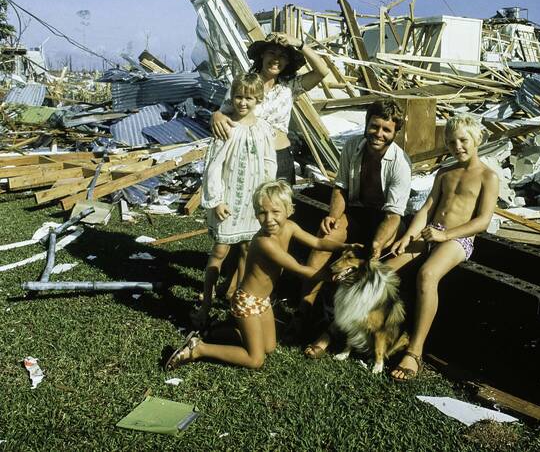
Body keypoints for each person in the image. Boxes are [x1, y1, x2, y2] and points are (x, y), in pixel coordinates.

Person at [166, 180, 360, 370]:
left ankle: (215, 330)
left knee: (269, 347)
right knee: (255, 359)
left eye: (275, 212)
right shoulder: (264, 243)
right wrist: (333, 276)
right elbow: (299, 269)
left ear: (289, 210)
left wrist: (344, 246)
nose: (269, 219)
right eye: (262, 213)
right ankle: (198, 349)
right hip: (246, 302)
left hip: (263, 300)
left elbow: (318, 243)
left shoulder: (290, 227)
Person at [385, 115, 499, 382]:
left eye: (463, 140)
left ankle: (414, 351)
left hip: (458, 240)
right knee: (385, 270)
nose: (457, 146)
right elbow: (427, 209)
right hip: (431, 231)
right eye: (451, 142)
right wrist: (408, 236)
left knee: (427, 275)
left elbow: (482, 221)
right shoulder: (445, 172)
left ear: (477, 140)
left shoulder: (488, 176)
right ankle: (381, 332)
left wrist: (445, 234)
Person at [301, 100, 412, 357]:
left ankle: (341, 328)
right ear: (366, 123)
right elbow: (340, 187)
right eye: (375, 127)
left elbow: (394, 214)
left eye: (386, 130)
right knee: (326, 236)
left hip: (386, 217)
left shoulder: (400, 163)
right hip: (358, 211)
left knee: (376, 263)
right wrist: (332, 216)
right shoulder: (352, 146)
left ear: (395, 133)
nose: (379, 134)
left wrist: (377, 243)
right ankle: (304, 309)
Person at [191, 73, 276, 329]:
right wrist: (216, 200)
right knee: (219, 250)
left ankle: (236, 299)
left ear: (258, 99)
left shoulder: (263, 128)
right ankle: (206, 303)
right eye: (238, 97)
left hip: (253, 200)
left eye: (249, 98)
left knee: (248, 251)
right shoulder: (226, 126)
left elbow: (270, 161)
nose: (243, 103)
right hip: (229, 200)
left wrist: (267, 196)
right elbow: (213, 167)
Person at [210, 31, 331, 185]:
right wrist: (217, 115)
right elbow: (225, 113)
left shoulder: (290, 87)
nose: (276, 59)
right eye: (271, 53)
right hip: (248, 155)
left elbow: (323, 71)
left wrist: (299, 44)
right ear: (262, 56)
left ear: (287, 62)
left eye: (282, 56)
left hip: (280, 156)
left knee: (279, 206)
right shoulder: (244, 84)